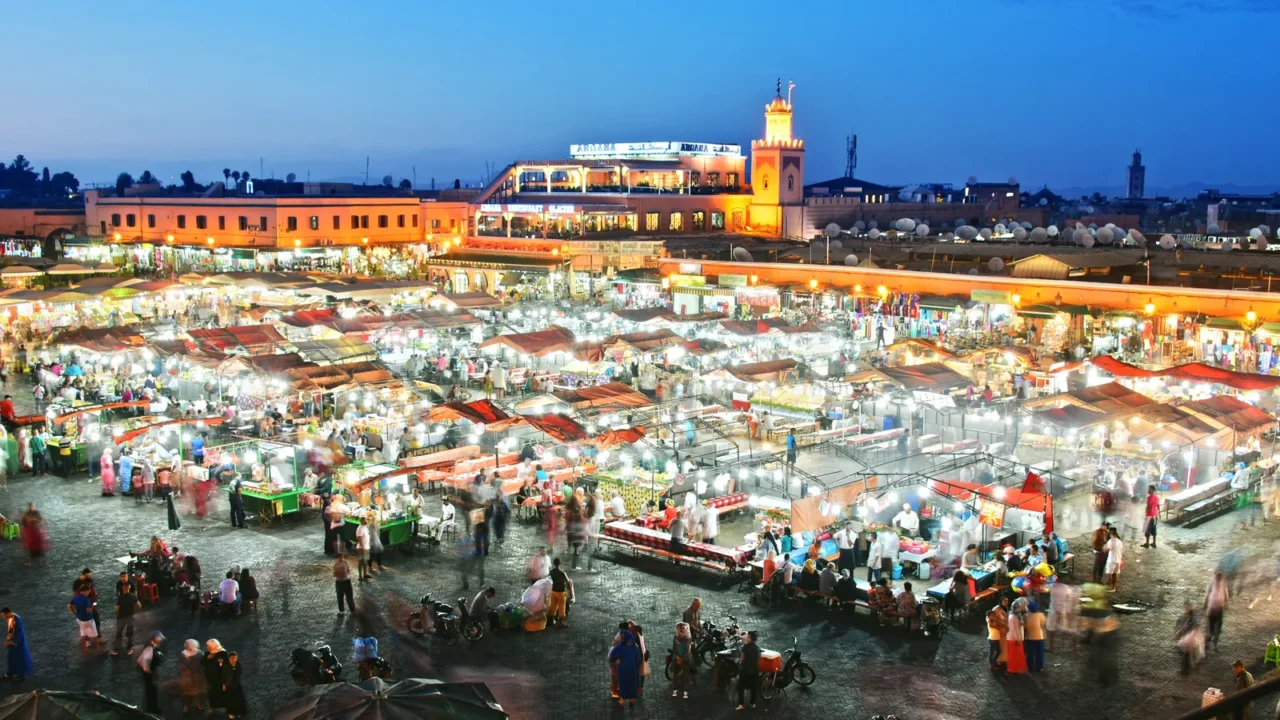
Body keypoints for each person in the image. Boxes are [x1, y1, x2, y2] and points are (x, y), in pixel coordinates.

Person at [609, 630, 642, 708]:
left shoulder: (619, 646)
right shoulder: (635, 646)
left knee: (623, 684)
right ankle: (632, 699)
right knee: (632, 684)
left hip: (622, 670)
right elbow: (638, 659)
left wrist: (615, 660)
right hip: (632, 669)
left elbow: (611, 655)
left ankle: (622, 700)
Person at [136, 632, 164, 714]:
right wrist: (148, 671)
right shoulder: (149, 648)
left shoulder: (153, 646)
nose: (161, 640)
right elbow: (143, 661)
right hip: (150, 674)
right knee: (151, 691)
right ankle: (152, 709)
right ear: (155, 639)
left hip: (151, 672)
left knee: (152, 690)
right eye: (160, 638)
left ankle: (153, 707)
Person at [2, 608, 33, 680]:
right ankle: (10, 673)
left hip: (18, 644)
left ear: (8, 613)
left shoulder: (17, 621)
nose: (3, 617)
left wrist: (10, 642)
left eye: (4, 615)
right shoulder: (10, 618)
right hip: (12, 643)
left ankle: (21, 676)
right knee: (11, 658)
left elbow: (20, 633)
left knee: (20, 659)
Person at [112, 581, 141, 656]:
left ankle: (116, 649)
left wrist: (118, 615)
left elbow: (117, 608)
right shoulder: (133, 596)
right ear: (129, 587)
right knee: (130, 634)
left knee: (119, 633)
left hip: (121, 618)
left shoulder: (120, 598)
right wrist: (135, 612)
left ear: (123, 588)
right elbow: (139, 605)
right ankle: (129, 648)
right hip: (130, 617)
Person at [736, 630, 762, 711]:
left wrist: (738, 661)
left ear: (750, 638)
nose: (746, 637)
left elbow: (742, 659)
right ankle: (752, 703)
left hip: (745, 671)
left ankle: (741, 704)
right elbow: (758, 660)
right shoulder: (757, 648)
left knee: (740, 687)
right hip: (754, 671)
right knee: (753, 688)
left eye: (747, 636)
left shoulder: (745, 648)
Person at [179, 639, 206, 713]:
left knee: (198, 689)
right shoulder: (183, 654)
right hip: (187, 676)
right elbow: (181, 665)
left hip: (197, 674)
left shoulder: (199, 653)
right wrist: (187, 661)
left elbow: (203, 662)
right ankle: (187, 705)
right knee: (187, 691)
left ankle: (198, 703)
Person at [69, 586, 100, 650]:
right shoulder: (86, 599)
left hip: (80, 619)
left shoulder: (76, 597)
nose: (88, 593)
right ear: (84, 591)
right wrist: (94, 605)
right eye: (88, 591)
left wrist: (75, 613)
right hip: (88, 619)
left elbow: (69, 605)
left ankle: (86, 647)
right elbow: (88, 610)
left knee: (84, 633)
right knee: (94, 635)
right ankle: (97, 648)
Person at [1205, 570, 1229, 648]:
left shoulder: (1223, 583)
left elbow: (1225, 593)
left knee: (1218, 623)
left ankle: (1215, 637)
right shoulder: (1212, 583)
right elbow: (1208, 593)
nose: (1219, 578)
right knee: (1212, 622)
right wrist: (1205, 603)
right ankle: (1211, 635)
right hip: (1213, 606)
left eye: (1220, 577)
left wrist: (1226, 602)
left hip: (1219, 607)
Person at [203, 640, 228, 713]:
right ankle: (212, 707)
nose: (207, 648)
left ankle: (227, 706)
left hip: (220, 678)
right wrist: (208, 658)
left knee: (223, 693)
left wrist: (222, 663)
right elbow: (202, 662)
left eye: (209, 646)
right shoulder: (208, 653)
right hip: (210, 678)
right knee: (211, 694)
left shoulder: (223, 653)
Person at [670, 622, 693, 699]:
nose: (681, 630)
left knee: (686, 675)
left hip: (685, 659)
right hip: (676, 658)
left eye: (683, 628)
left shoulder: (688, 638)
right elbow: (673, 648)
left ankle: (686, 691)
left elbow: (688, 650)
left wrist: (681, 657)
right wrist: (677, 656)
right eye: (679, 628)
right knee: (675, 674)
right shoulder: (675, 637)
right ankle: (674, 690)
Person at [1005, 599, 1028, 674]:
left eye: (1019, 607)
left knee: (1017, 655)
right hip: (1014, 639)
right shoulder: (1013, 617)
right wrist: (1018, 639)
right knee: (1013, 655)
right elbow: (1014, 629)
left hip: (1017, 638)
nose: (1019, 609)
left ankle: (1016, 668)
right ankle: (1012, 669)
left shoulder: (1017, 615)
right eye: (1017, 607)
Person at [1024, 600, 1047, 672]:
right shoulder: (1041, 615)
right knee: (1039, 653)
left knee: (1030, 653)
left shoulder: (1026, 616)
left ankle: (1030, 666)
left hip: (1029, 636)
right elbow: (1043, 624)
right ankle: (1039, 667)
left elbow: (1025, 626)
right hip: (1039, 636)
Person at [548, 558, 571, 629]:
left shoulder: (551, 571)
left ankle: (551, 621)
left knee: (553, 605)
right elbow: (568, 582)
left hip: (553, 591)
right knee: (562, 607)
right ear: (559, 564)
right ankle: (560, 623)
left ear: (554, 564)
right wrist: (569, 590)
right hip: (561, 592)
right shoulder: (562, 573)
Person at [223, 651, 247, 719]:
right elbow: (223, 676)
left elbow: (238, 675)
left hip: (237, 685)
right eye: (232, 658)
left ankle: (239, 712)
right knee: (230, 700)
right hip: (229, 685)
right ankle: (231, 712)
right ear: (229, 658)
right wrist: (224, 684)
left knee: (239, 700)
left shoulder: (238, 665)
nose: (233, 659)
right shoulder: (226, 666)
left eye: (235, 658)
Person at [1103, 527, 1124, 592]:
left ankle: (1110, 586)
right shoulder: (1120, 541)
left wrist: (1104, 546)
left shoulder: (1111, 541)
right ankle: (1113, 587)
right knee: (1115, 574)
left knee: (1110, 573)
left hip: (1112, 559)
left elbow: (1106, 550)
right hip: (1118, 560)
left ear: (1111, 534)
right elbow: (1122, 551)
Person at [355, 516, 372, 580]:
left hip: (366, 547)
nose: (366, 521)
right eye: (365, 520)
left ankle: (365, 574)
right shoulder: (360, 529)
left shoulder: (365, 527)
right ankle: (360, 576)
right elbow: (359, 538)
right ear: (362, 521)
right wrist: (362, 547)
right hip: (362, 548)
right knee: (361, 562)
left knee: (365, 561)